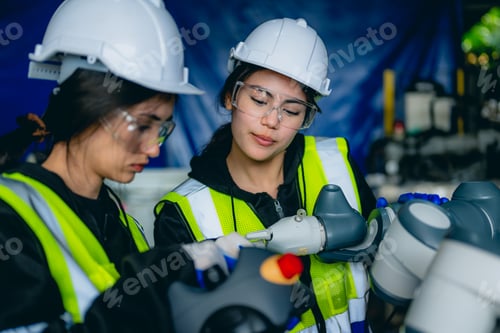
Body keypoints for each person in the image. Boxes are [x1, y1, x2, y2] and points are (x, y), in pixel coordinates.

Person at [0, 0, 242, 332]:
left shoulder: (122, 222)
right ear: (88, 103)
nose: (154, 150)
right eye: (143, 125)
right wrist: (154, 289)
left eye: (162, 129)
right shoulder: (8, 216)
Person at [154, 17, 379, 333]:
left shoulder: (336, 163)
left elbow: (378, 263)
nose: (272, 120)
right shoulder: (183, 213)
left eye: (291, 110)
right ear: (231, 96)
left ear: (307, 115)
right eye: (259, 100)